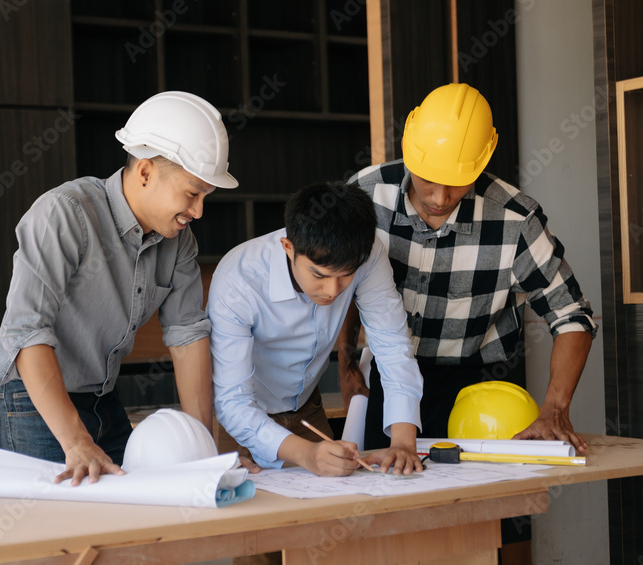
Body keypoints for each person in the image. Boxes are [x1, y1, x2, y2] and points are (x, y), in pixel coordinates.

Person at [0, 91, 238, 485]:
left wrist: (200, 449)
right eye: (191, 193)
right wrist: (76, 441)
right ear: (146, 172)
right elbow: (26, 332)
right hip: (29, 396)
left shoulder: (180, 241)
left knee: (127, 516)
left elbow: (187, 337)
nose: (199, 211)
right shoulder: (65, 214)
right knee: (58, 533)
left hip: (101, 396)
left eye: (207, 195)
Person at [339, 82, 597, 453]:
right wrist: (346, 366)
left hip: (479, 385)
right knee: (387, 497)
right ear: (409, 150)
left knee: (479, 504)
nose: (440, 198)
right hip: (384, 375)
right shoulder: (365, 196)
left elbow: (572, 313)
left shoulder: (516, 219)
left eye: (458, 183)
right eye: (428, 178)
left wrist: (555, 407)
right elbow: (339, 282)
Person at [208, 182, 424, 477]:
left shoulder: (367, 253)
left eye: (345, 277)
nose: (332, 291)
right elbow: (232, 401)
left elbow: (392, 345)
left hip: (308, 410)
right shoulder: (238, 279)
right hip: (240, 422)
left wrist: (403, 442)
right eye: (318, 275)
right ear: (289, 248)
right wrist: (307, 454)